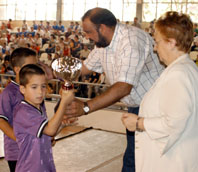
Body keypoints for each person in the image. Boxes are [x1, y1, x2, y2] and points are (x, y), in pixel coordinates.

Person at [64, 7, 164, 172]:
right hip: (137, 106)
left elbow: (123, 87)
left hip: (155, 108)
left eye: (88, 32)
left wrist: (85, 107)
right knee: (134, 157)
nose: (87, 37)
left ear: (102, 27)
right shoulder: (103, 43)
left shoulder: (130, 40)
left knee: (140, 160)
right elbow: (84, 68)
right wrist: (51, 71)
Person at [121, 11, 198, 172]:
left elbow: (174, 123)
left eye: (157, 42)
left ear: (171, 42)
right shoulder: (185, 69)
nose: (155, 48)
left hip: (172, 162)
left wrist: (138, 123)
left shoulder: (179, 74)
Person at [13, 64, 74, 172]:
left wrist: (62, 125)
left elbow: (47, 136)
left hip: (45, 167)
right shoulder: (24, 112)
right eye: (34, 87)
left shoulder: (39, 109)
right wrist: (64, 101)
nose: (40, 91)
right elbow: (50, 130)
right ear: (22, 89)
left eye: (43, 86)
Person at [0, 47, 38, 172]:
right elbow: (1, 121)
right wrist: (20, 139)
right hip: (17, 153)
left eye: (36, 65)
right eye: (31, 66)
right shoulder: (8, 93)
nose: (35, 70)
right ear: (17, 70)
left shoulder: (35, 90)